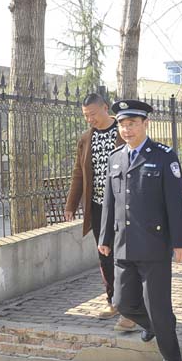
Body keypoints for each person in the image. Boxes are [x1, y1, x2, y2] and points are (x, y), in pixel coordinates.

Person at [98, 99, 182, 361]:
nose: (126, 129)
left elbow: (175, 203)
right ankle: (154, 325)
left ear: (145, 124)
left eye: (132, 124)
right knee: (122, 303)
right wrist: (105, 237)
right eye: (122, 124)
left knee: (158, 307)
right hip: (123, 244)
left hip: (153, 244)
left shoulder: (163, 156)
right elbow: (109, 202)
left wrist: (180, 242)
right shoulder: (115, 158)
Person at [64, 93, 125, 320]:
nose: (89, 119)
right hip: (99, 207)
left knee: (126, 254)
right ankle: (113, 301)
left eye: (92, 114)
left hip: (124, 206)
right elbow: (78, 173)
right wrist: (71, 204)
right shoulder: (85, 138)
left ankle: (132, 300)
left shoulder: (124, 132)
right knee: (105, 254)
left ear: (105, 108)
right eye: (85, 116)